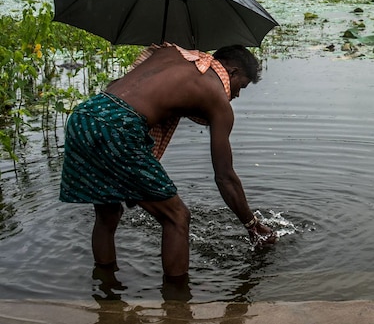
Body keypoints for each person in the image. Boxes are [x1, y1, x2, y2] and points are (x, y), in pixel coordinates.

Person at [60, 43, 276, 281]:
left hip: (85, 116)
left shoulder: (173, 53)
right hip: (118, 126)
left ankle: (106, 288)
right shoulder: (217, 97)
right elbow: (225, 177)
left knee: (107, 213)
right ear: (232, 72)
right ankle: (177, 303)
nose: (236, 95)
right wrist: (252, 224)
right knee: (177, 217)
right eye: (241, 87)